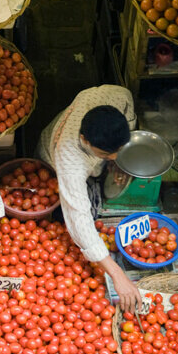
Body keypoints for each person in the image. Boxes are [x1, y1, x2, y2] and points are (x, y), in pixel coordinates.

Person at [36, 84, 142, 313]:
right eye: (105, 154)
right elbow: (78, 218)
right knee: (76, 204)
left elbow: (129, 120)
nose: (111, 157)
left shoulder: (116, 96)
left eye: (118, 150)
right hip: (53, 153)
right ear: (85, 140)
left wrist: (117, 161)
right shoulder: (70, 161)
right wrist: (117, 274)